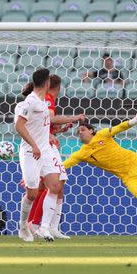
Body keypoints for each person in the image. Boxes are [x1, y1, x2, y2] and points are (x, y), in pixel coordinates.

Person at [26, 75, 85, 239]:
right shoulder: (48, 98)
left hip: (48, 144)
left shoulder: (44, 99)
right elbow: (50, 118)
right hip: (45, 147)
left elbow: (46, 124)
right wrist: (75, 117)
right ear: (58, 87)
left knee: (59, 185)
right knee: (53, 185)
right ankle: (39, 224)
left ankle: (52, 227)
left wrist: (59, 130)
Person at [14, 68, 70, 242]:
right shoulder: (28, 103)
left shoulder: (43, 103)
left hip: (44, 150)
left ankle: (44, 228)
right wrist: (34, 145)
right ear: (46, 83)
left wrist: (54, 133)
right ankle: (24, 226)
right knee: (31, 194)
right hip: (31, 152)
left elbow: (44, 126)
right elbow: (19, 126)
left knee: (55, 185)